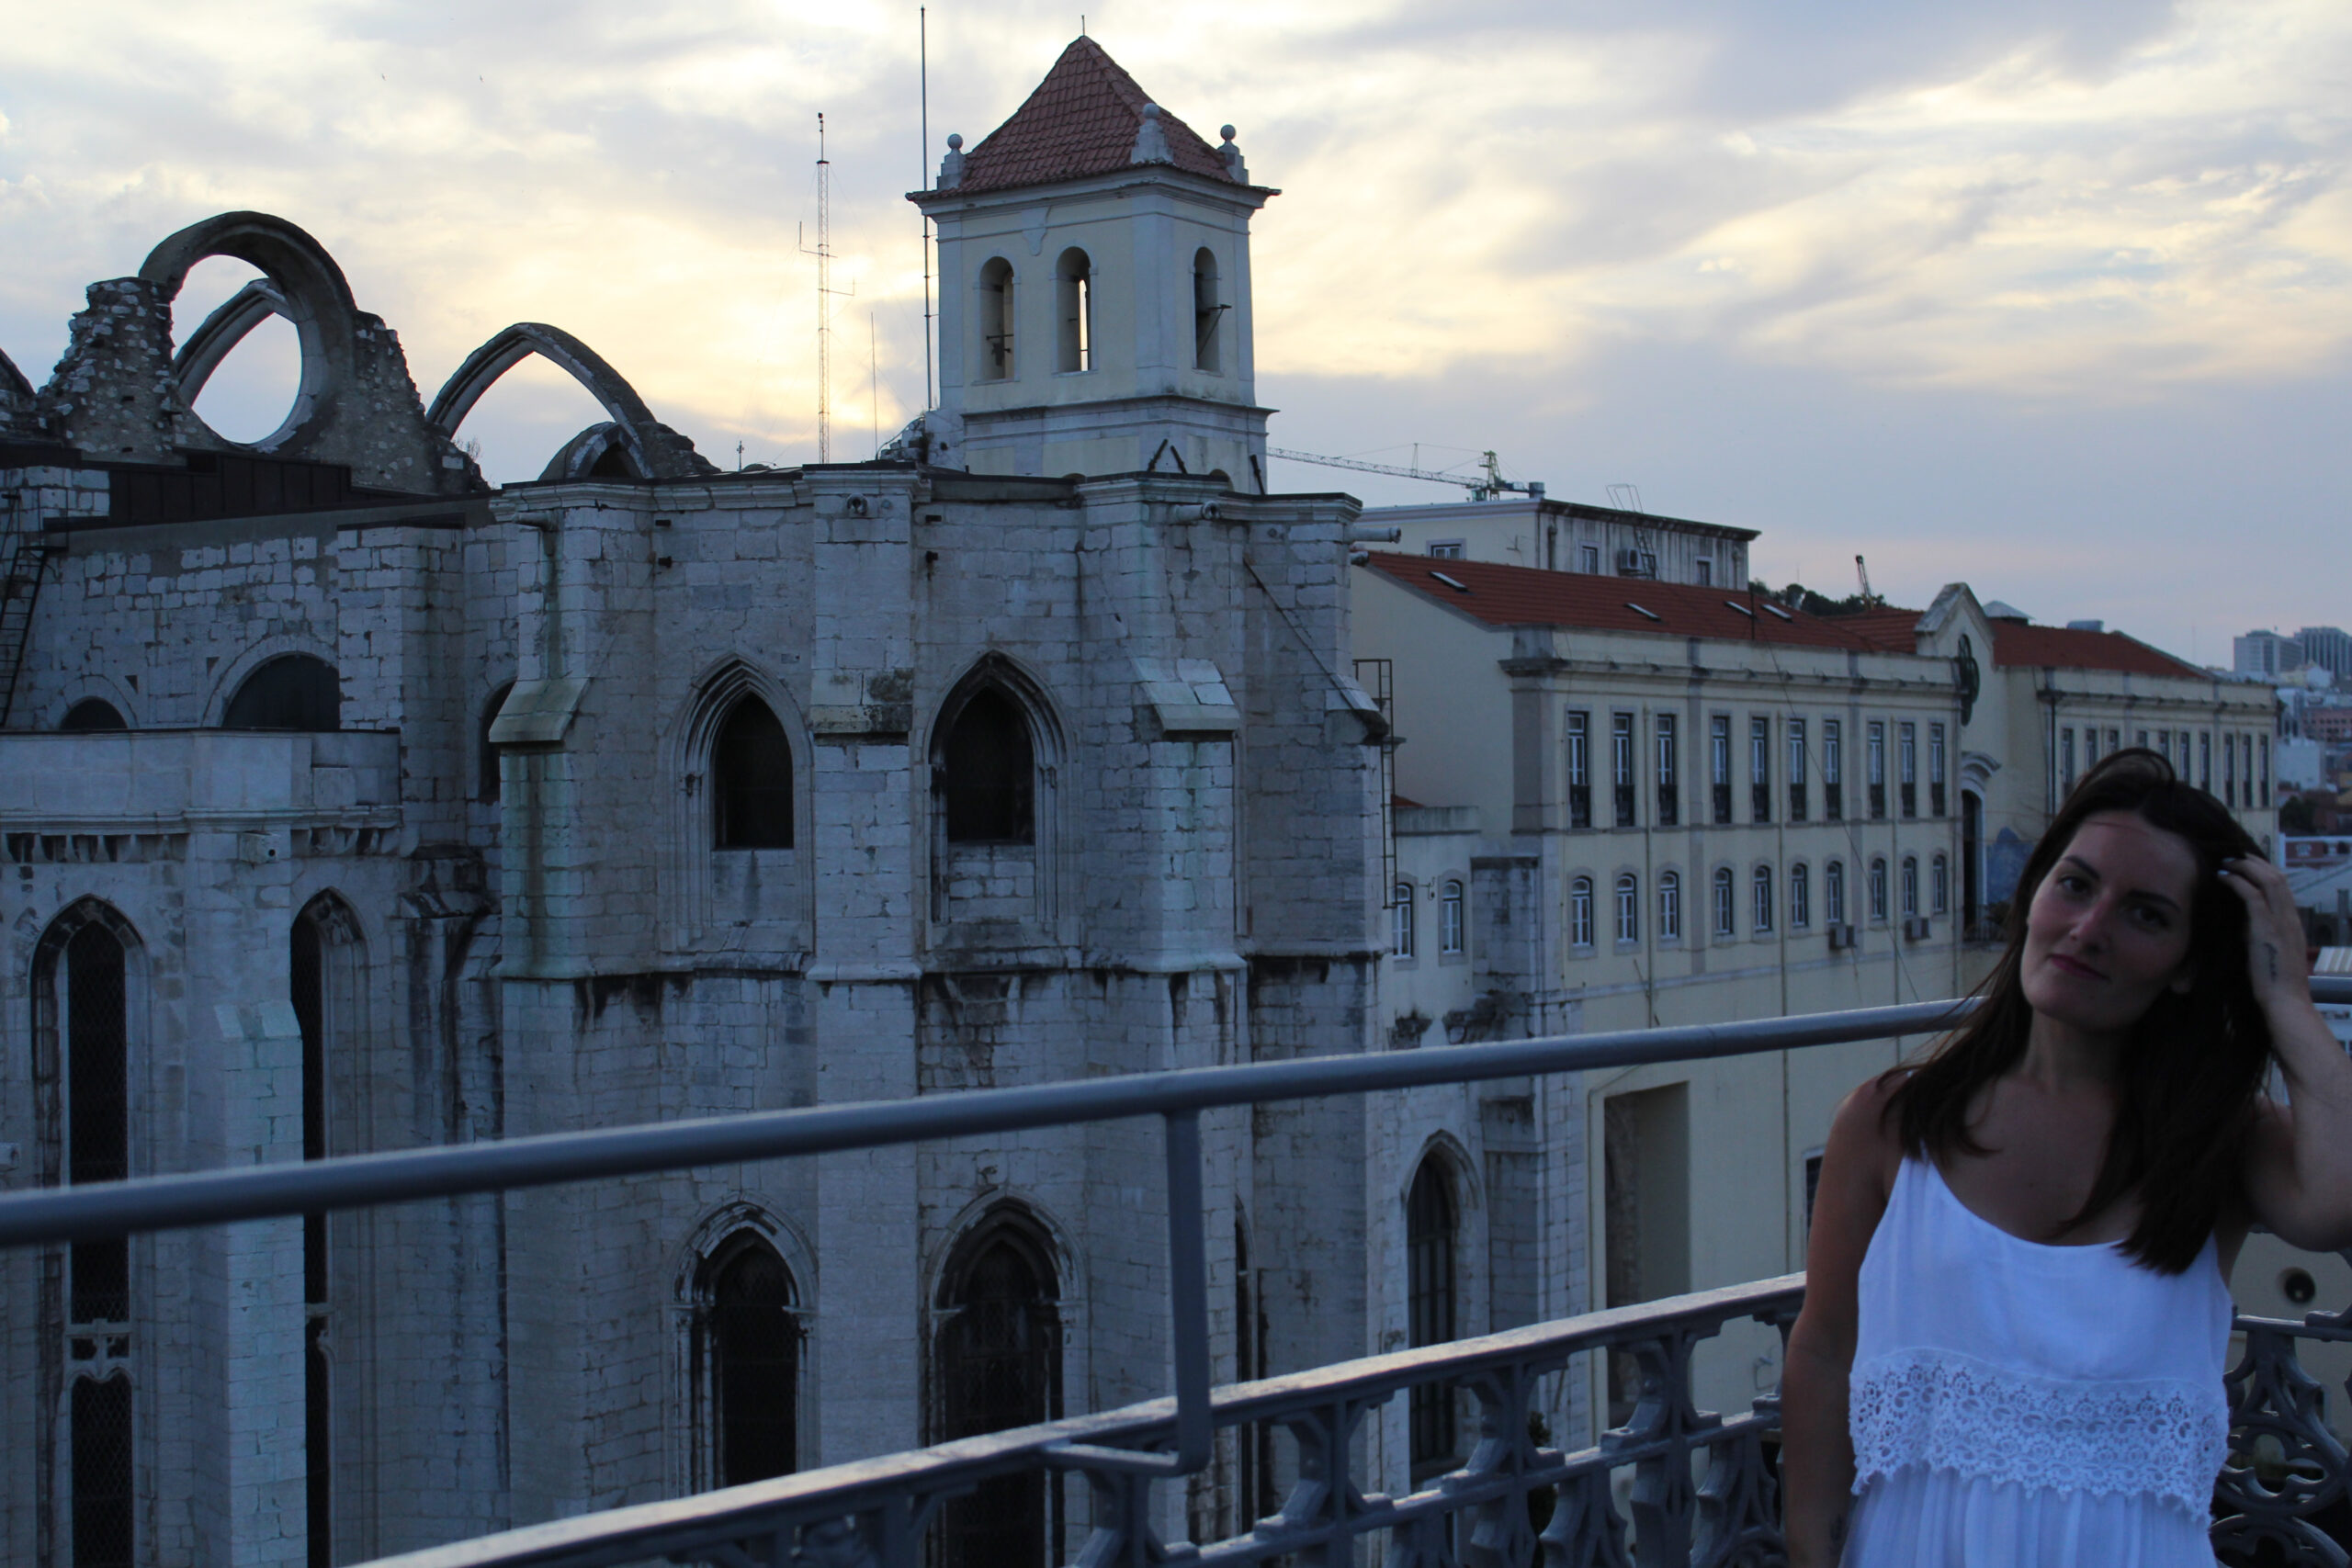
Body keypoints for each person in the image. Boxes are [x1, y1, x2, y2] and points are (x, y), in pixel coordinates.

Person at [1781, 748, 2352, 1566]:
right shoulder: (1890, 1122)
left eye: (2145, 914)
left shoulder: (2221, 1141)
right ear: (2035, 892)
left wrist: (2286, 997)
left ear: (2190, 963)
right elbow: (1824, 1350)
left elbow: (2339, 1196)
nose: (2089, 930)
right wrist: (1812, 1552)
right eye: (2075, 885)